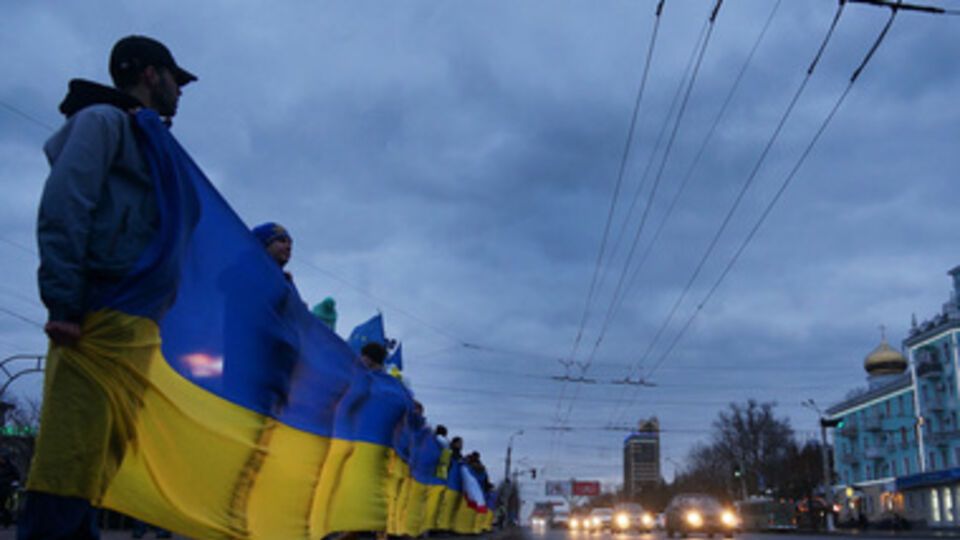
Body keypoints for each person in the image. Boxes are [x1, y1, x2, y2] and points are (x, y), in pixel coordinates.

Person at [25, 35, 197, 540]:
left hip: (137, 321)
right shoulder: (102, 122)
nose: (180, 91)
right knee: (71, 453)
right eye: (175, 79)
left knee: (101, 459)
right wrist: (64, 303)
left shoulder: (153, 142)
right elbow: (66, 205)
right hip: (97, 312)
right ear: (150, 74)